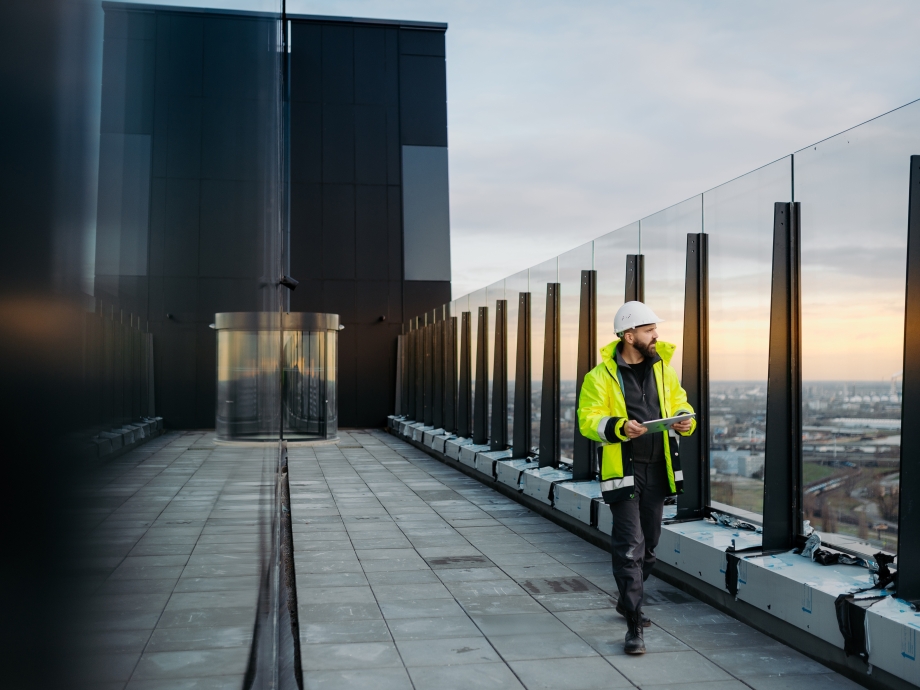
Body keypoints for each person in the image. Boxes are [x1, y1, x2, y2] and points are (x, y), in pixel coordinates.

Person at [577, 301, 696, 654]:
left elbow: (681, 403)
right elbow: (588, 420)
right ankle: (634, 622)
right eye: (648, 330)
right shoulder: (599, 377)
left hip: (659, 470)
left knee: (651, 546)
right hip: (624, 473)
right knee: (630, 546)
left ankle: (627, 598)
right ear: (629, 336)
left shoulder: (664, 371)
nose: (656, 335)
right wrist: (618, 426)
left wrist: (685, 419)